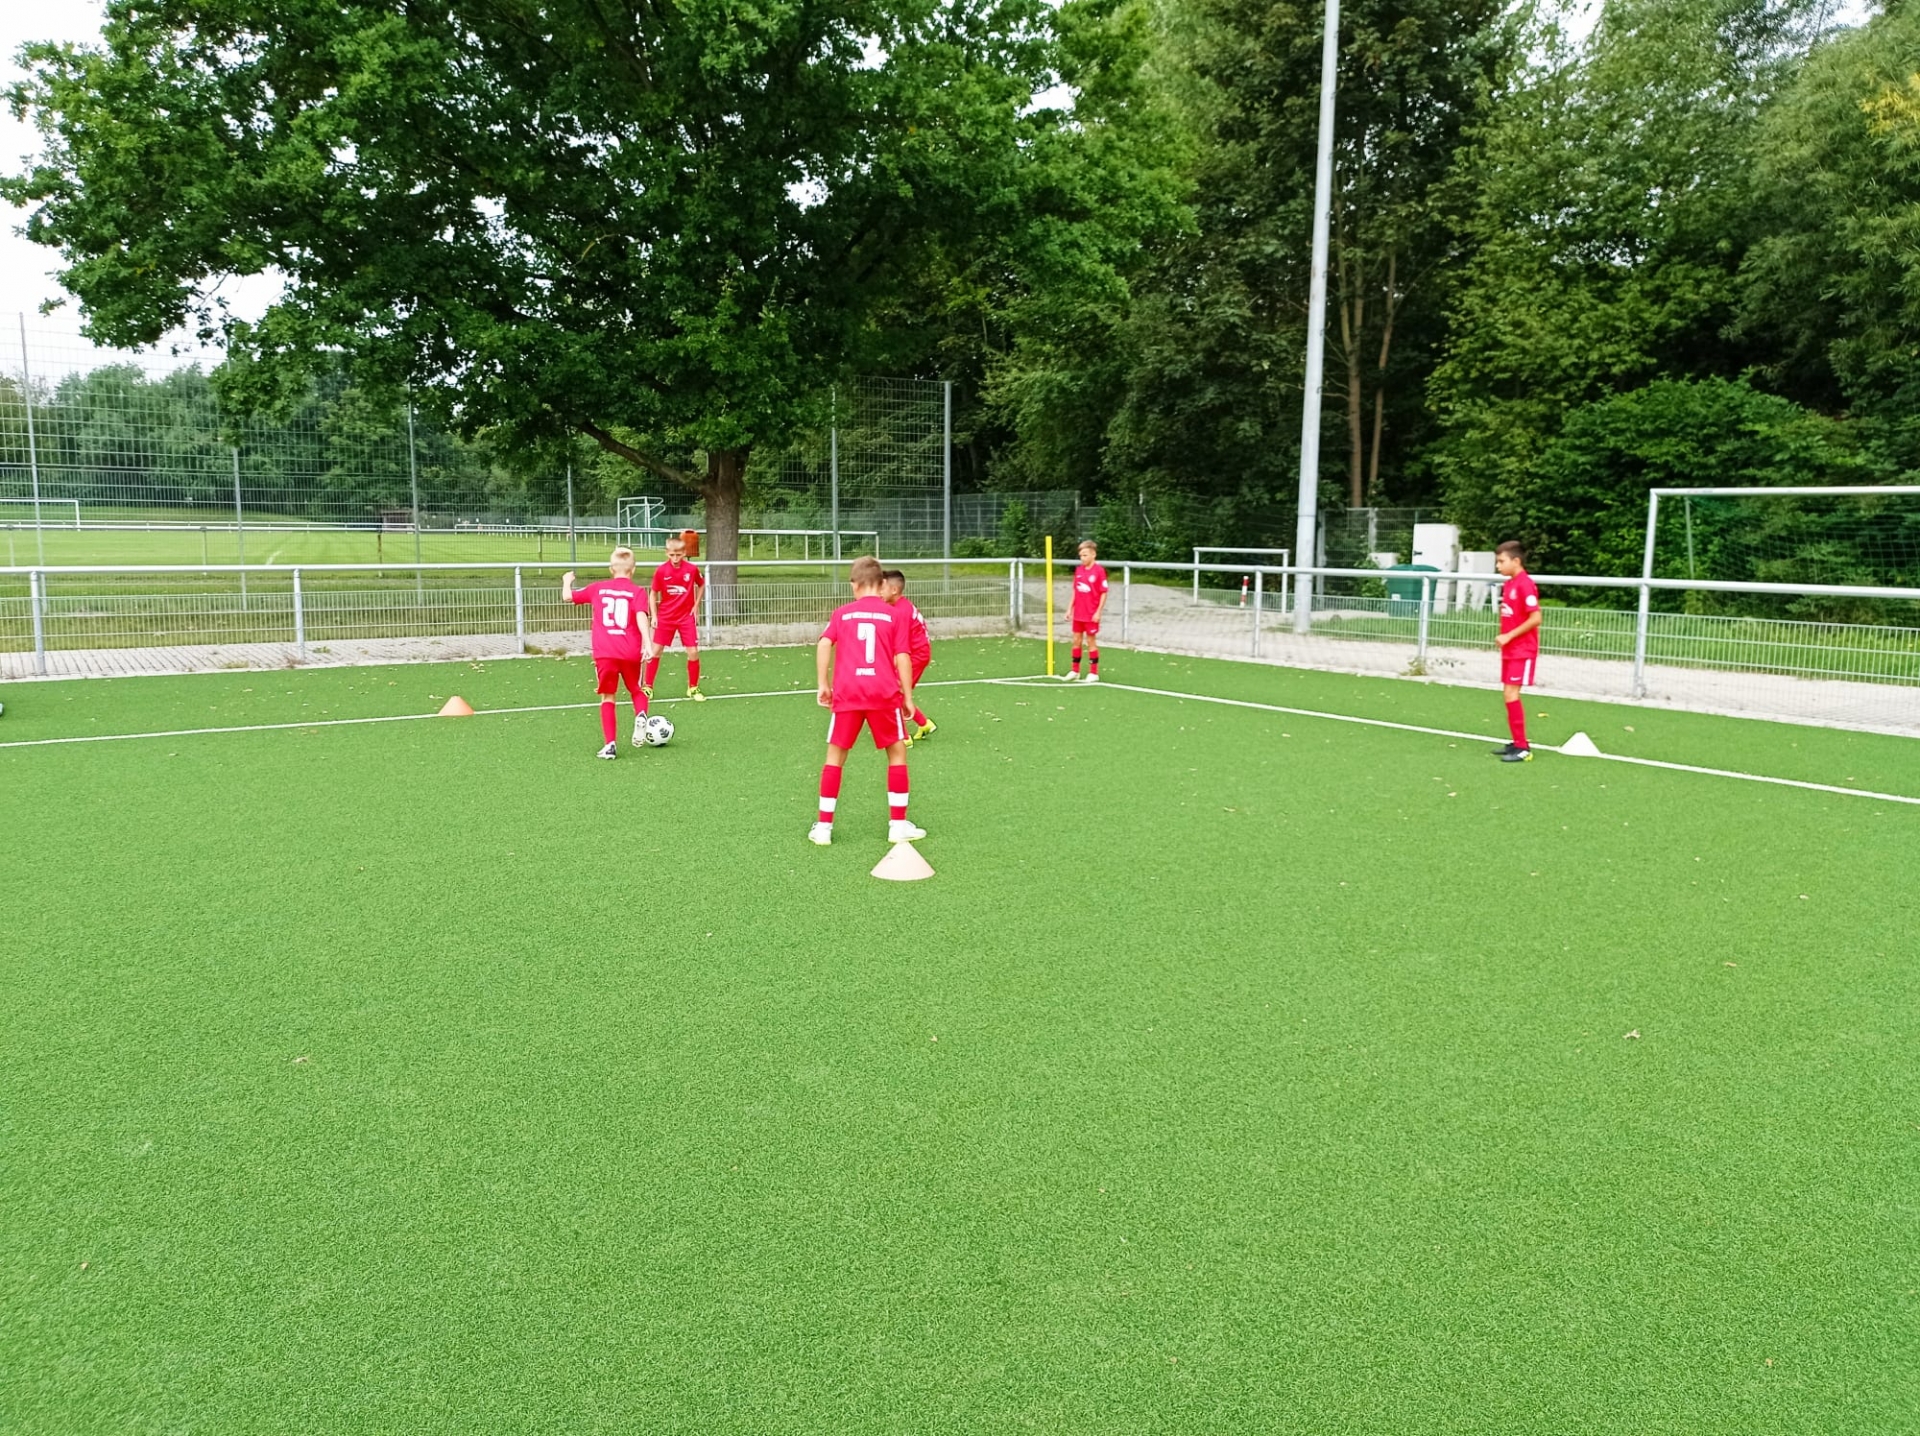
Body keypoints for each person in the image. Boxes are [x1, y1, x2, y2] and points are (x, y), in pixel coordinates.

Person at [810, 555, 925, 846]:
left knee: (835, 757)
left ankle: (824, 828)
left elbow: (824, 643)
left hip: (848, 693)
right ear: (881, 583)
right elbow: (903, 656)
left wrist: (823, 684)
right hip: (883, 693)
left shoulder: (842, 613)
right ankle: (897, 826)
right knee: (897, 753)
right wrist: (908, 696)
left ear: (855, 584)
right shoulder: (894, 614)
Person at [563, 548, 654, 760]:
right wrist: (647, 643)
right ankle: (641, 715)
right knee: (636, 689)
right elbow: (642, 616)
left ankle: (610, 745)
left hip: (605, 653)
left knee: (608, 696)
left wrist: (567, 581)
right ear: (633, 569)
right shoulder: (638, 592)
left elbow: (567, 597)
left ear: (611, 569)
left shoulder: (598, 588)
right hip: (630, 651)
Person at [1493, 540, 1542, 763]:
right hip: (1511, 649)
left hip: (1523, 649)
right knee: (1508, 693)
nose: (1498, 566)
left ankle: (1523, 748)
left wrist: (1509, 636)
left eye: (1501, 561)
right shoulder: (1510, 584)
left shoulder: (1525, 584)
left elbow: (1536, 618)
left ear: (1516, 561)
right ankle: (1517, 742)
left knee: (1511, 694)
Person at [647, 535, 706, 700]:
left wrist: (696, 606)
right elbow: (653, 594)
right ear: (666, 553)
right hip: (666, 617)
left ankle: (693, 688)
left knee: (693, 652)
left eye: (678, 555)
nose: (675, 558)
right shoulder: (661, 571)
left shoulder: (692, 569)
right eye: (672, 555)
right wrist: (654, 615)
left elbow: (701, 584)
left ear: (684, 552)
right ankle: (647, 687)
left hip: (686, 617)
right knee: (656, 651)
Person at [882, 568, 936, 742]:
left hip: (915, 656)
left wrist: (890, 664)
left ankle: (903, 737)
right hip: (916, 654)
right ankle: (924, 723)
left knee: (893, 692)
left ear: (894, 590)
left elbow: (902, 647)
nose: (879, 591)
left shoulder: (901, 612)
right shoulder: (898, 606)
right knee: (897, 692)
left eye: (882, 587)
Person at [1063, 539, 1109, 682]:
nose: (1082, 558)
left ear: (1093, 554)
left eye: (1085, 555)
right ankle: (1075, 670)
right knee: (1076, 640)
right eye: (1081, 555)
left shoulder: (1099, 571)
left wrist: (1098, 612)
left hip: (1091, 614)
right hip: (1079, 613)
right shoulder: (1079, 570)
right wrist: (1069, 609)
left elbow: (1103, 592)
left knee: (1090, 641)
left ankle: (1093, 673)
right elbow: (1075, 591)